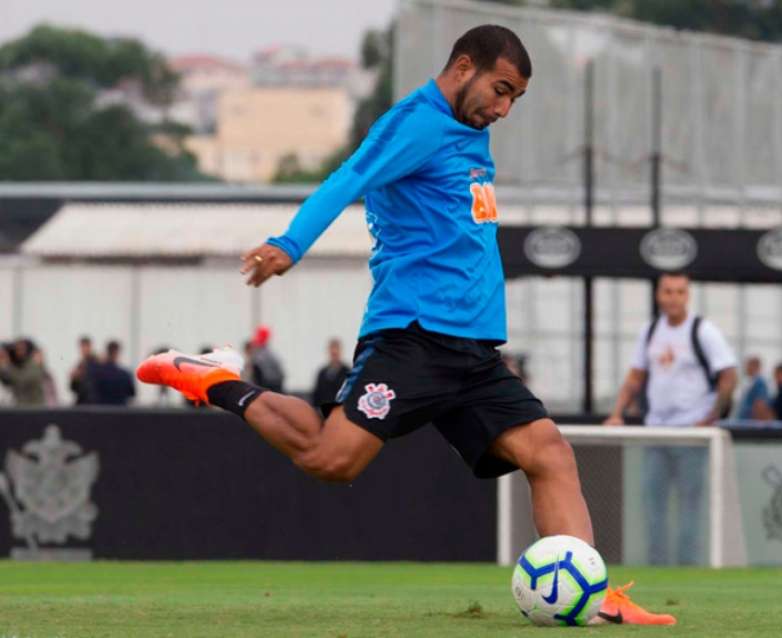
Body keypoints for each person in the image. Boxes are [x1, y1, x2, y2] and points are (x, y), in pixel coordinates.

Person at [136, 25, 673, 626]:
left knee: (549, 453)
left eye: (515, 99)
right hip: (413, 337)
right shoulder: (415, 122)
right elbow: (350, 177)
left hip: (474, 352)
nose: (503, 109)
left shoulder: (470, 129)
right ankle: (217, 380)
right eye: (500, 90)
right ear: (464, 66)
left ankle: (594, 599)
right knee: (331, 459)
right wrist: (290, 242)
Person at [604, 272, 737, 565]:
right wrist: (616, 413)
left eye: (679, 291)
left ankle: (688, 565)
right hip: (656, 433)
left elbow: (728, 375)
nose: (673, 298)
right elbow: (635, 376)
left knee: (690, 504)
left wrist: (710, 417)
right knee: (653, 503)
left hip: (692, 435)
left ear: (687, 295)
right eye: (667, 291)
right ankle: (657, 565)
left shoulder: (703, 331)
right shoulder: (650, 331)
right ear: (658, 295)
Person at [0, 338, 48, 406]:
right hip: (21, 408)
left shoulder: (34, 365)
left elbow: (20, 379)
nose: (18, 351)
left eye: (21, 349)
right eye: (16, 349)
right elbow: (7, 382)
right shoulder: (16, 366)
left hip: (35, 408)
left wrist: (5, 365)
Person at [90, 340, 136, 406]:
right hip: (120, 409)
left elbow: (92, 391)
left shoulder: (97, 373)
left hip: (102, 409)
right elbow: (132, 394)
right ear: (117, 353)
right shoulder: (125, 374)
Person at [311, 338, 350, 410]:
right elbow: (316, 395)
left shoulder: (348, 372)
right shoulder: (322, 373)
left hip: (341, 410)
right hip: (324, 410)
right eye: (332, 354)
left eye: (336, 353)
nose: (334, 355)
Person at [249, 325, 285, 393]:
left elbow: (257, 378)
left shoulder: (259, 356)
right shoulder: (272, 354)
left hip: (267, 387)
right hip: (273, 387)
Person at [736, 355, 772, 421]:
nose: (746, 368)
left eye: (748, 365)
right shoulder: (752, 382)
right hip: (746, 422)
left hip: (750, 423)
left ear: (755, 366)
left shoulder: (759, 382)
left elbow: (760, 404)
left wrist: (757, 424)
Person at [69, 335, 98, 405]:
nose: (84, 349)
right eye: (82, 347)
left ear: (90, 347)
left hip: (92, 403)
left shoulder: (96, 363)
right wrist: (74, 379)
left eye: (86, 346)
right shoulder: (80, 365)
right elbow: (74, 388)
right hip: (83, 403)